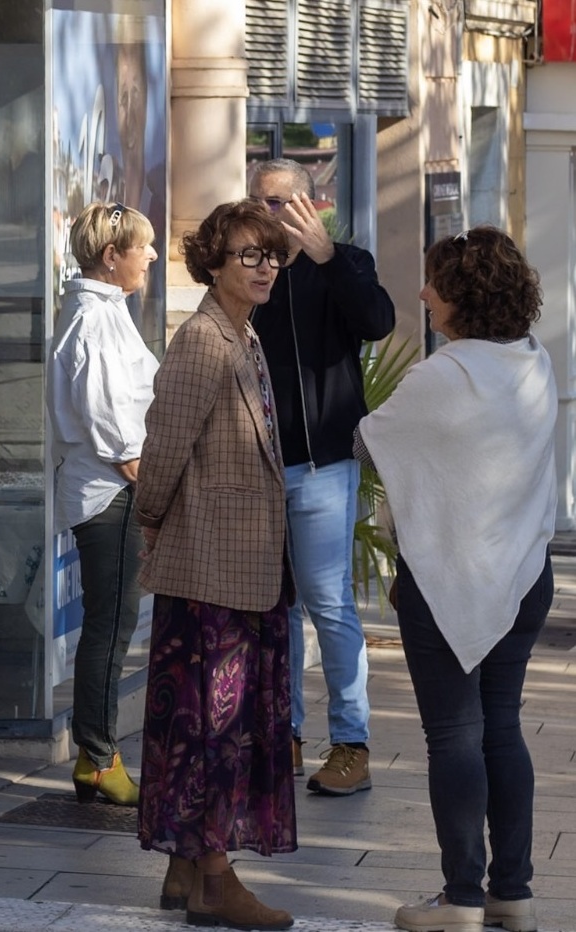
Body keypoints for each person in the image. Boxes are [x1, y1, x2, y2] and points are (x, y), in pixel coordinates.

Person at [360, 228, 554, 932]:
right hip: (524, 574)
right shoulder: (534, 362)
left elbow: (369, 443)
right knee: (502, 728)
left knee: (454, 736)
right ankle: (513, 893)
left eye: (433, 282)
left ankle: (462, 899)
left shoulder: (442, 377)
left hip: (448, 578)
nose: (422, 294)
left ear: (461, 295)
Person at [135, 199, 295, 931]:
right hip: (208, 568)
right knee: (210, 729)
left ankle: (182, 867)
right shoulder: (203, 339)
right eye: (248, 255)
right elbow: (164, 445)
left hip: (243, 568)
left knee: (213, 724)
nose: (264, 268)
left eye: (272, 255)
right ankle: (213, 881)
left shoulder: (245, 333)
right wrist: (152, 520)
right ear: (213, 263)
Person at [247, 159, 394, 792]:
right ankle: (283, 736)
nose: (267, 213)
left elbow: (377, 321)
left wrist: (327, 258)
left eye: (278, 202)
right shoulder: (248, 270)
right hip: (256, 470)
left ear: (312, 205)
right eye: (258, 201)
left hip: (322, 469)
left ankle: (351, 745)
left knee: (329, 604)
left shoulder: (346, 263)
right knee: (273, 608)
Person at [48, 202, 158, 807]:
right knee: (110, 626)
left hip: (111, 489)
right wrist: (153, 489)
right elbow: (114, 429)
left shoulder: (104, 310)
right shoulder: (94, 318)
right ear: (111, 257)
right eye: (143, 246)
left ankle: (95, 755)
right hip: (111, 493)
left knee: (110, 624)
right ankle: (97, 755)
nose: (152, 255)